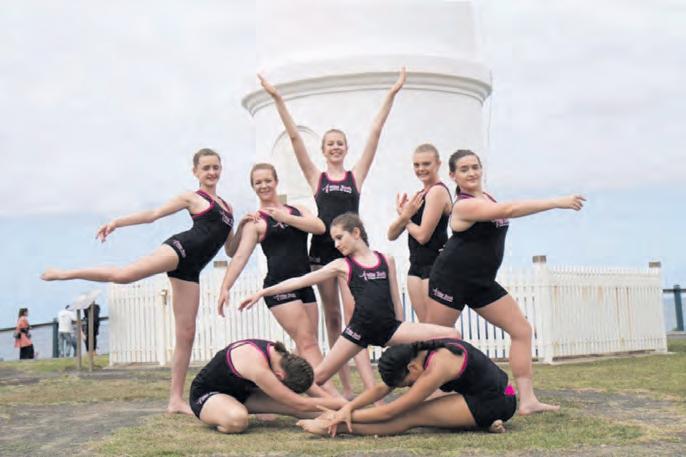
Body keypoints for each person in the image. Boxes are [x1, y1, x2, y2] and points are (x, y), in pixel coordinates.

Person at [42, 148, 238, 415]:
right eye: (206, 168)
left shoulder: (228, 208)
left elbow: (230, 249)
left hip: (193, 269)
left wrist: (246, 226)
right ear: (196, 172)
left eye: (216, 167)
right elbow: (153, 214)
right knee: (124, 276)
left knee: (186, 334)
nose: (212, 172)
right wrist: (117, 222)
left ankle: (175, 400)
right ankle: (65, 273)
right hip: (180, 250)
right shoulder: (192, 197)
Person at [258, 68, 406, 396]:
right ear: (323, 150)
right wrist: (277, 98)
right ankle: (348, 387)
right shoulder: (317, 178)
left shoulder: (355, 177)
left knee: (357, 319)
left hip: (352, 251)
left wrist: (391, 94)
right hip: (322, 253)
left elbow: (375, 133)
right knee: (333, 317)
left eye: (340, 143)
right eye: (330, 144)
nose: (335, 148)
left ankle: (369, 387)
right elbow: (295, 139)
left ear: (346, 148)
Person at [424, 149, 585, 415]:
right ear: (453, 175)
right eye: (464, 169)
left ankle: (527, 400)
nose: (471, 172)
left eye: (475, 167)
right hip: (451, 279)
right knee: (436, 338)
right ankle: (430, 396)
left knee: (522, 330)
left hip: (481, 281)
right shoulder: (463, 205)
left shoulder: (485, 197)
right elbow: (509, 210)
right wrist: (556, 202)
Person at [239, 213, 460, 391]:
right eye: (333, 239)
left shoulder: (386, 260)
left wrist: (401, 338)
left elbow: (395, 300)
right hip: (358, 331)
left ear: (355, 233)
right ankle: (269, 389)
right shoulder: (341, 265)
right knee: (319, 377)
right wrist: (263, 292)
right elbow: (301, 280)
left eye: (339, 237)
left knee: (452, 335)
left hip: (390, 329)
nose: (336, 244)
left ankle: (448, 387)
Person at [217, 163, 338, 396]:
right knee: (308, 343)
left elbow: (320, 227)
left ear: (276, 181)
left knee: (305, 345)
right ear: (253, 187)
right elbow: (240, 257)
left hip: (304, 285)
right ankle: (332, 397)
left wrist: (284, 217)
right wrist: (225, 287)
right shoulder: (256, 222)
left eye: (267, 180)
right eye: (258, 182)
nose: (264, 185)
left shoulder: (297, 210)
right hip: (278, 287)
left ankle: (279, 393)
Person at [298, 338, 517, 436]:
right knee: (426, 413)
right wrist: (348, 407)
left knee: (411, 416)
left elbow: (392, 411)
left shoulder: (437, 366)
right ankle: (483, 423)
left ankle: (334, 429)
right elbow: (382, 388)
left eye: (407, 383)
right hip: (491, 393)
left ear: (412, 368)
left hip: (497, 400)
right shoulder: (418, 353)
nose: (410, 386)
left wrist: (338, 418)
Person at [191, 338, 346, 434]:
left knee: (321, 410)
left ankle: (353, 421)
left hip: (244, 393)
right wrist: (340, 402)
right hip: (208, 394)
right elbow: (300, 403)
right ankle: (221, 414)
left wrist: (343, 407)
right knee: (237, 420)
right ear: (279, 376)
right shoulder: (257, 365)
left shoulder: (283, 357)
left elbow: (309, 389)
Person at [387, 144, 452, 322]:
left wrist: (406, 218)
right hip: (415, 266)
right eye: (416, 165)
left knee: (439, 327)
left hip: (435, 266)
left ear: (438, 164)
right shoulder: (419, 196)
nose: (421, 169)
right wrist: (404, 216)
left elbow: (423, 236)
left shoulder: (437, 191)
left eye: (426, 164)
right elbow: (391, 235)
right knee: (426, 328)